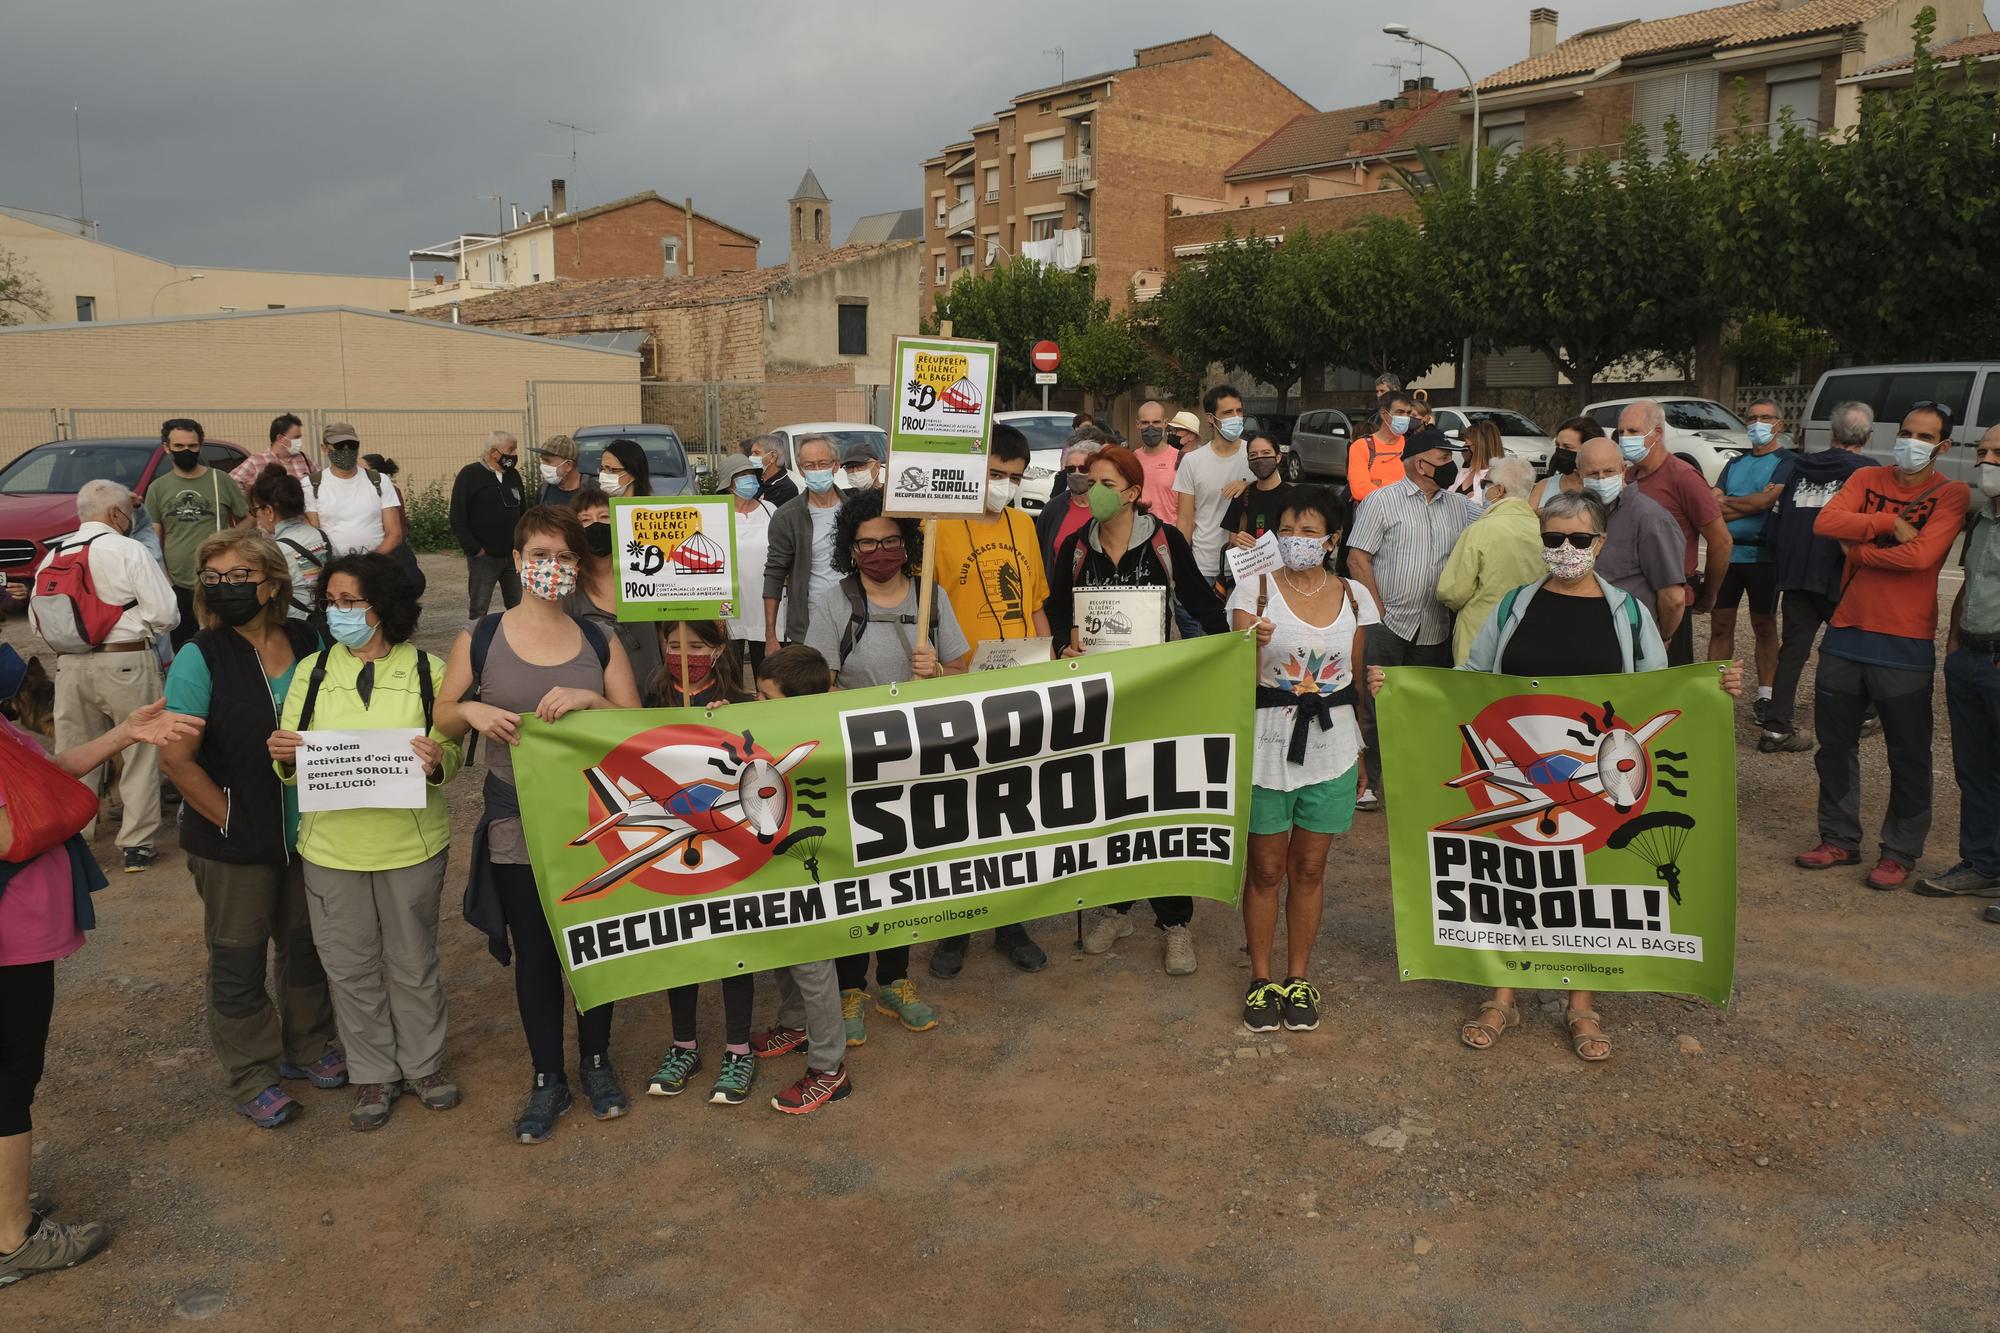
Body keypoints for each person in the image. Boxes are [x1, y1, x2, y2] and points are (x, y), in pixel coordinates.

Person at [1372, 490, 1742, 1062]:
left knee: (1587, 881)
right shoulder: (1514, 606)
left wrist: (1713, 690)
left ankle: (1582, 1003)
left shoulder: (1628, 613)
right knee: (1515, 878)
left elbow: (1658, 689)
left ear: (1600, 543)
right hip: (1525, 779)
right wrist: (1400, 691)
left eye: (1578, 539)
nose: (1565, 550)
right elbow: (1469, 681)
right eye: (1553, 539)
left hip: (1585, 787)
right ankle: (1503, 994)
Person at [438, 505, 640, 1143]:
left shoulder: (600, 639)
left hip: (592, 824)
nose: (549, 568)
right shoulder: (481, 635)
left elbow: (636, 731)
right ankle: (548, 1076)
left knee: (594, 941)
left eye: (563, 557)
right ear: (519, 561)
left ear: (577, 567)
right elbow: (440, 715)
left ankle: (598, 1062)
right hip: (515, 822)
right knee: (537, 953)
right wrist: (469, 710)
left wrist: (592, 701)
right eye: (538, 556)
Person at [0, 692, 198, 1286]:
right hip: (10, 937)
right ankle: (12, 1239)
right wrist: (51, 816)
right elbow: (16, 825)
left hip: (20, 930)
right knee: (10, 1077)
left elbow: (47, 774)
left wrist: (124, 735)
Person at [269, 553, 463, 1131]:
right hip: (331, 847)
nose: (338, 613)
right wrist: (282, 757)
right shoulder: (314, 672)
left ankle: (424, 1065)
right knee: (349, 967)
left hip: (412, 844)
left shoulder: (430, 671)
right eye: (331, 602)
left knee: (413, 961)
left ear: (384, 605)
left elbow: (451, 755)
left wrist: (436, 762)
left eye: (351, 601)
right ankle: (372, 1074)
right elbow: (291, 757)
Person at [160, 530, 341, 1129]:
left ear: (273, 583)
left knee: (306, 946)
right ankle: (253, 1072)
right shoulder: (200, 655)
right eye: (213, 578)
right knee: (237, 958)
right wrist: (231, 821)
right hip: (232, 843)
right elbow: (177, 760)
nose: (223, 587)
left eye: (238, 576)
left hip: (310, 834)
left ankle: (309, 1046)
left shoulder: (311, 638)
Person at [803, 490, 967, 1043]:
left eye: (889, 540)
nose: (878, 551)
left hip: (919, 762)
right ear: (851, 548)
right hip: (857, 764)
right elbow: (815, 683)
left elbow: (967, 671)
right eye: (866, 543)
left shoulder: (930, 597)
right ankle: (850, 987)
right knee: (857, 874)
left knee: (905, 876)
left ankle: (895, 980)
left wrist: (940, 673)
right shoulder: (835, 603)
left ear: (907, 543)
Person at [1054, 446, 1222, 971]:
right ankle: (1116, 906)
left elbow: (1201, 604)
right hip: (1101, 704)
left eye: (1104, 482)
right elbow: (1059, 613)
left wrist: (1234, 648)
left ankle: (1175, 921)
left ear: (1131, 492)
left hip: (1160, 700)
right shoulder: (1074, 549)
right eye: (1087, 481)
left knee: (1160, 806)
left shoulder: (1166, 543)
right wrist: (1065, 646)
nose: (1091, 490)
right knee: (1106, 806)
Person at [1795, 402, 1968, 891]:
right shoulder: (1868, 478)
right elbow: (1826, 523)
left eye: (1924, 435)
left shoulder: (1951, 493)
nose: (1911, 442)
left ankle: (1900, 851)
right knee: (1834, 746)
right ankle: (1839, 838)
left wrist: (1859, 550)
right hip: (1846, 633)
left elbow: (1923, 557)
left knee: (1908, 753)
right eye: (1907, 431)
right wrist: (1887, 525)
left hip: (1905, 641)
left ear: (1943, 446)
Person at [1226, 485, 1377, 1033]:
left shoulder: (1357, 596)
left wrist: (1360, 753)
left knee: (1310, 867)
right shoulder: (1254, 590)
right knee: (1266, 868)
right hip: (1268, 746)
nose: (1296, 541)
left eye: (1310, 532)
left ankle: (1298, 976)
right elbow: (1229, 674)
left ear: (1333, 539)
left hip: (1332, 747)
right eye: (1287, 530)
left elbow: (1356, 680)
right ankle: (1261, 979)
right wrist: (1249, 641)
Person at [927, 424, 1052, 978]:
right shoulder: (935, 526)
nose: (1004, 486)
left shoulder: (1024, 524)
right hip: (959, 685)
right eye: (996, 474)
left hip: (1020, 685)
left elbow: (1036, 601)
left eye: (1014, 478)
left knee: (1014, 805)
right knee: (960, 809)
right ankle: (955, 925)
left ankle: (1010, 920)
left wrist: (1050, 665)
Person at [36, 480, 180, 872]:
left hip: (70, 664)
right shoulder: (128, 549)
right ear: (117, 514)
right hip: (127, 659)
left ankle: (76, 834)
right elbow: (167, 614)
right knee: (139, 750)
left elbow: (37, 622)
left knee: (76, 751)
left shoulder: (53, 555)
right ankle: (136, 843)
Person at [745, 645, 855, 1114]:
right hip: (777, 862)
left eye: (765, 699)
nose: (756, 706)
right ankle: (793, 1024)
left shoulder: (826, 733)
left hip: (816, 871)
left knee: (812, 964)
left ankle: (830, 1070)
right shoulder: (774, 722)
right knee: (783, 946)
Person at [1346, 425, 1477, 810]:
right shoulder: (1381, 502)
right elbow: (1357, 558)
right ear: (1421, 463)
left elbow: (1494, 525)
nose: (1451, 465)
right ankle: (1366, 782)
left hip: (1435, 627)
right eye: (1444, 458)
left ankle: (1413, 780)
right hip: (1388, 625)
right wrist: (1378, 610)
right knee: (1374, 706)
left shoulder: (1460, 506)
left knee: (1422, 707)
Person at [1761, 402, 1875, 753]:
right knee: (1857, 647)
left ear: (1832, 433)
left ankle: (1776, 727)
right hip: (1840, 576)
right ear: (1867, 437)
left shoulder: (1797, 467)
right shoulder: (1868, 473)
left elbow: (1775, 525)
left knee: (1793, 650)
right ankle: (1862, 715)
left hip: (1795, 573)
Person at [1928, 424, 2000, 907]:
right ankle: (1983, 864)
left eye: (1998, 452)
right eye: (1983, 450)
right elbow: (1969, 583)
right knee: (1975, 769)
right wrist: (1953, 644)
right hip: (1970, 658)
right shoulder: (1982, 519)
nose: (1987, 461)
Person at [1618, 400, 1732, 665]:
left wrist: (1708, 593)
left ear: (1657, 434)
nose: (1625, 439)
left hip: (1669, 600)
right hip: (1632, 600)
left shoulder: (1683, 477)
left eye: (1633, 432)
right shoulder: (1628, 477)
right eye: (1621, 433)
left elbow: (1721, 541)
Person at [1709, 398, 1797, 726]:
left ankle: (1766, 696)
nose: (1757, 423)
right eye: (1752, 417)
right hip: (1727, 555)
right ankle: (1713, 693)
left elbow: (1766, 502)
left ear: (1779, 425)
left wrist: (1731, 503)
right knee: (1720, 625)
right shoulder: (1734, 463)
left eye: (1766, 418)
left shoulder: (1787, 461)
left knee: (1764, 626)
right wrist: (1750, 503)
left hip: (1763, 557)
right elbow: (1712, 504)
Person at [145, 418, 249, 651]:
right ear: (166, 448)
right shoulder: (158, 488)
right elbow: (154, 537)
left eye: (192, 446)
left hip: (219, 580)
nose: (186, 451)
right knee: (186, 647)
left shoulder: (220, 480)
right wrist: (164, 578)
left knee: (225, 643)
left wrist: (227, 538)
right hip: (180, 584)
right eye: (179, 447)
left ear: (200, 446)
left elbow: (249, 518)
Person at [1574, 436, 1688, 647]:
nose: (1601, 480)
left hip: (1630, 640)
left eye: (1608, 472)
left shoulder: (1648, 518)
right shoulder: (1579, 515)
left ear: (1623, 469)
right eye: (1592, 474)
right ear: (1580, 478)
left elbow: (1673, 597)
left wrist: (1661, 638)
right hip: (1583, 637)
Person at [1435, 457, 1543, 666]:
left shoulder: (1480, 530)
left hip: (1479, 635)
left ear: (1499, 490)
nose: (1483, 489)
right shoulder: (1542, 530)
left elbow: (1452, 591)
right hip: (1527, 633)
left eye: (1486, 484)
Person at [763, 435, 845, 654]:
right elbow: (774, 573)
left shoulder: (854, 511)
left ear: (836, 465)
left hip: (854, 621)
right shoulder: (787, 516)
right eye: (809, 465)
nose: (816, 470)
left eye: (823, 464)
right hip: (808, 627)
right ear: (800, 470)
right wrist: (770, 635)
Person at [1173, 384, 1255, 597]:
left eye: (1239, 411)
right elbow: (1185, 520)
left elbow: (1277, 495)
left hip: (1249, 565)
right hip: (1205, 566)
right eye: (1228, 413)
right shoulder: (1192, 461)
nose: (1236, 417)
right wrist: (1182, 568)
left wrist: (1248, 486)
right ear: (1211, 418)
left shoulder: (1256, 455)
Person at [713, 455, 781, 671]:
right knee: (729, 674)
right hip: (728, 606)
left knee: (767, 671)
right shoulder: (716, 514)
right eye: (741, 475)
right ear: (728, 482)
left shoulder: (770, 510)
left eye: (750, 474)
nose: (748, 480)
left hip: (766, 605)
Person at [449, 431, 525, 617]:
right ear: (494, 452)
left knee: (519, 605)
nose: (514, 454)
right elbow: (457, 515)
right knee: (479, 607)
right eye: (511, 449)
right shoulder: (470, 474)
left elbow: (523, 510)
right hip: (484, 558)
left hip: (512, 556)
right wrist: (474, 548)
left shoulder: (513, 475)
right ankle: (476, 641)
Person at [304, 424, 404, 559]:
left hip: (376, 565)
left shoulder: (380, 481)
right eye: (339, 445)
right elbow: (313, 534)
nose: (346, 450)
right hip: (334, 566)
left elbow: (395, 533)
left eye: (352, 445)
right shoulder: (310, 484)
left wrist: (369, 561)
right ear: (325, 448)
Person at [247, 467, 331, 621]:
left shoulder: (275, 550)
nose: (257, 516)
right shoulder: (321, 535)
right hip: (324, 620)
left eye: (255, 510)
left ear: (269, 511)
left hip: (294, 625)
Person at [1034, 438, 1103, 573]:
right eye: (1070, 469)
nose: (1076, 473)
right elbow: (1039, 554)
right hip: (1059, 591)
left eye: (1083, 469)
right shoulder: (1053, 508)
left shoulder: (1110, 507)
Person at [1219, 432, 1295, 551]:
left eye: (1266, 453)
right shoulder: (1241, 495)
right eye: (1253, 455)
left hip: (1284, 568)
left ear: (1278, 457)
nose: (1260, 459)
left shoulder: (1294, 497)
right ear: (1248, 460)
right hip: (1250, 566)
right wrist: (1238, 541)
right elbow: (1232, 539)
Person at [1346, 391, 1414, 504]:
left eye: (1408, 413)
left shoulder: (1412, 445)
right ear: (1384, 413)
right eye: (1400, 412)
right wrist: (1403, 489)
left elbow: (1422, 487)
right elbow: (1360, 491)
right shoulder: (1361, 446)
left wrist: (1380, 483)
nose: (1405, 417)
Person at [1529, 416, 1601, 508]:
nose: (1560, 452)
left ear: (1588, 449)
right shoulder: (1543, 486)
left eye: (1567, 447)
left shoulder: (1603, 488)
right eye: (1558, 446)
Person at [231, 413, 313, 491]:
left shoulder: (305, 459)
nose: (299, 441)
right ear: (280, 438)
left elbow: (322, 482)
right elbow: (230, 483)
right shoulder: (256, 461)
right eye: (296, 437)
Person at [1133, 400, 1180, 519]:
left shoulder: (1180, 459)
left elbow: (1188, 508)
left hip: (1170, 533)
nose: (1151, 427)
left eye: (1156, 422)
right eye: (1145, 423)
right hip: (1139, 532)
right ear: (1138, 424)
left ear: (1165, 423)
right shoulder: (1132, 459)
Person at [1453, 420, 1503, 505]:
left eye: (1466, 443)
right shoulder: (1466, 470)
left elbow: (1486, 507)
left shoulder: (1495, 477)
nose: (1464, 447)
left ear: (1480, 447)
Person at [748, 433, 800, 507]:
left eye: (756, 453)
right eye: (751, 453)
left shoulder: (785, 489)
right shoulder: (758, 481)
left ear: (773, 456)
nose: (751, 457)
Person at [533, 434, 583, 505]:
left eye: (548, 461)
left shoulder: (593, 492)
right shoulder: (543, 491)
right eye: (542, 460)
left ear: (568, 465)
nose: (543, 465)